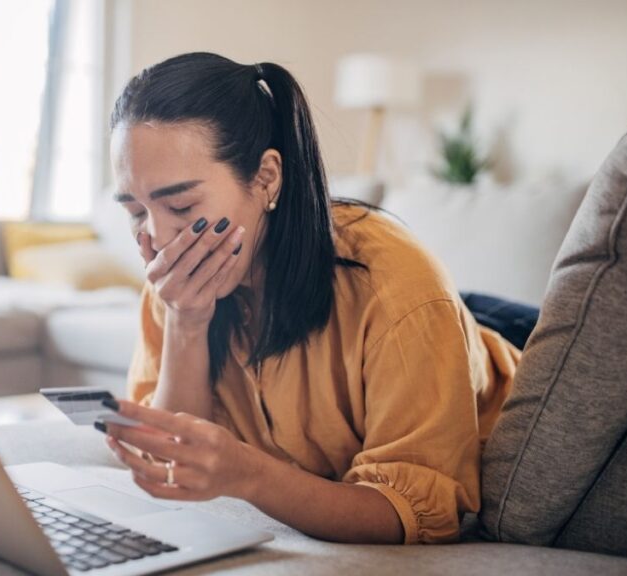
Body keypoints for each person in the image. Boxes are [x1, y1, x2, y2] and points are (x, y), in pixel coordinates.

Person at [98, 52, 522, 545]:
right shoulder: (173, 281)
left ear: (266, 179)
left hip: (491, 356)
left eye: (180, 205)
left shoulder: (395, 285)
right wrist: (185, 324)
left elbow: (414, 514)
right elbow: (170, 458)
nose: (156, 237)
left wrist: (250, 474)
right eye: (134, 211)